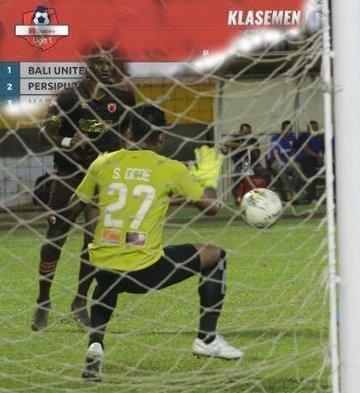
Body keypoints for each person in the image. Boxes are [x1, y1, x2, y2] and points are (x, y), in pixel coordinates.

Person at [66, 105, 241, 382]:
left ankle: (95, 343)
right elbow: (212, 208)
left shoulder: (103, 162)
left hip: (102, 262)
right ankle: (207, 339)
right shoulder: (170, 168)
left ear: (125, 132)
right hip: (145, 269)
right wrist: (208, 180)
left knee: (107, 281)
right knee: (215, 254)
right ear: (160, 137)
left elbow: (74, 207)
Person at [32, 46, 136, 331]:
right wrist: (68, 142)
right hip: (70, 175)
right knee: (56, 237)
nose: (105, 68)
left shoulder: (124, 97)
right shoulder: (68, 97)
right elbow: (44, 133)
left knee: (94, 241)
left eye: (109, 63)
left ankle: (80, 301)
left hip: (103, 177)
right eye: (98, 63)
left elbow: (125, 135)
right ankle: (43, 301)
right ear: (86, 65)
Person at [266, 120, 299, 202]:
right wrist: (280, 162)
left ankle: (293, 190)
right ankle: (288, 191)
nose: (289, 131)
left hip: (288, 161)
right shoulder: (275, 138)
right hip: (275, 161)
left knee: (298, 167)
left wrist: (292, 158)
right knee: (281, 169)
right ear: (282, 129)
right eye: (287, 129)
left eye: (290, 129)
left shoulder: (292, 138)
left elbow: (293, 150)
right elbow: (275, 151)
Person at [296, 120, 325, 203]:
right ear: (309, 129)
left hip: (317, 159)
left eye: (316, 128)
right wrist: (317, 157)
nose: (315, 129)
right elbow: (305, 149)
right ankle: (312, 197)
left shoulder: (320, 137)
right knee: (310, 172)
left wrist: (321, 158)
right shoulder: (304, 136)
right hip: (305, 159)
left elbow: (323, 150)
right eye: (313, 128)